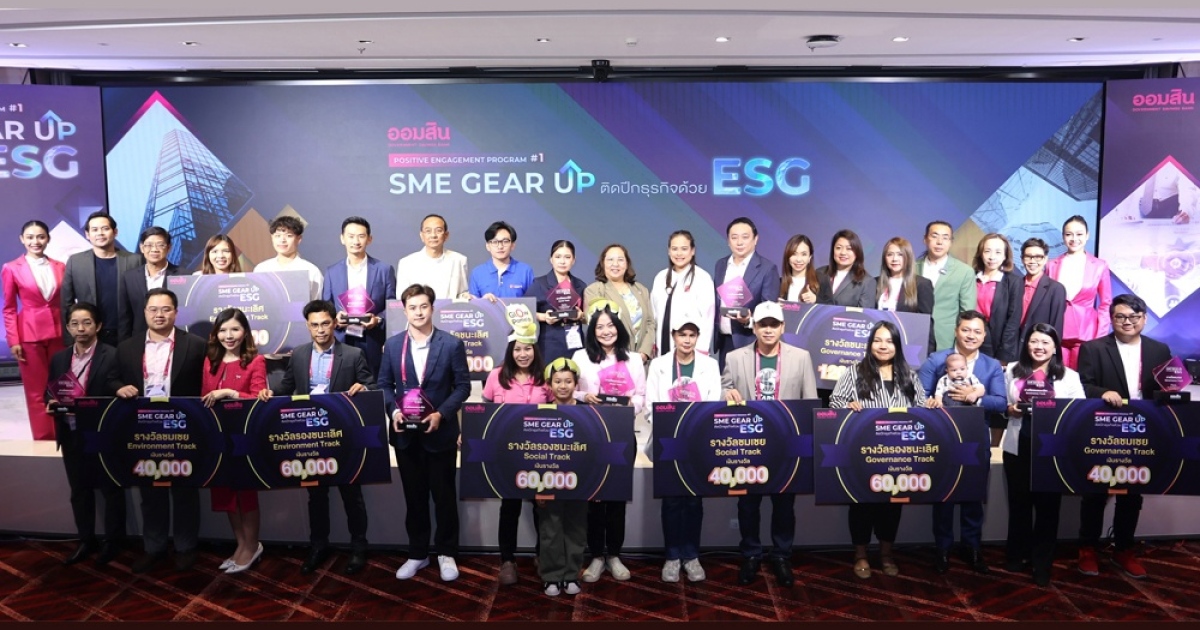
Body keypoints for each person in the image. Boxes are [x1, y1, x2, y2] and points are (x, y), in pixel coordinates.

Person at [274, 299, 375, 576]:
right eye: (314, 325)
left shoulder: (353, 355)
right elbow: (286, 388)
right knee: (316, 496)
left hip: (344, 436)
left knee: (352, 495)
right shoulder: (298, 355)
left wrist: (364, 388)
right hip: (310, 437)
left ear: (334, 323)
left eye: (325, 324)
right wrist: (269, 394)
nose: (320, 330)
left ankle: (359, 547)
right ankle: (318, 545)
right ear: (308, 326)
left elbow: (371, 384)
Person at [1075, 294, 1171, 579]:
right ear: (1111, 319)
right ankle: (1087, 549)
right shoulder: (1093, 348)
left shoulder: (1160, 349)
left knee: (1132, 494)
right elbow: (1083, 385)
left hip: (1142, 431)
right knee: (1095, 492)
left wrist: (1173, 393)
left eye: (1134, 316)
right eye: (1120, 316)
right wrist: (1102, 392)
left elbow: (1165, 388)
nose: (1127, 322)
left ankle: (1124, 550)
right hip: (1104, 429)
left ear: (1144, 318)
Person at [721, 301, 817, 587]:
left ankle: (781, 555)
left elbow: (810, 402)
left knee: (784, 504)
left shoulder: (800, 357)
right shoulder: (735, 357)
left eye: (774, 324)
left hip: (786, 444)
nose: (768, 330)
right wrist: (727, 394)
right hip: (747, 443)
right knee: (747, 503)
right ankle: (751, 553)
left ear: (782, 327)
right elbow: (723, 388)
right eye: (763, 324)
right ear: (754, 327)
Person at [382, 284, 472, 582]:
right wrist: (394, 412)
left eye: (423, 306)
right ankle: (417, 553)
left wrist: (441, 414)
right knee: (414, 497)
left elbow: (462, 386)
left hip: (439, 433)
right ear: (404, 311)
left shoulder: (451, 344)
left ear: (432, 308)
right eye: (412, 307)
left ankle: (446, 552)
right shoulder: (393, 345)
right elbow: (384, 385)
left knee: (444, 497)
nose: (418, 312)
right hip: (406, 435)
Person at [114, 288, 207, 574]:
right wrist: (118, 387)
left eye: (166, 309)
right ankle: (153, 547)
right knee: (150, 491)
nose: (159, 314)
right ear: (144, 312)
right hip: (144, 430)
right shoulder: (126, 347)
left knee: (185, 490)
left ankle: (185, 547)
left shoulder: (196, 345)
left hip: (183, 428)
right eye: (153, 309)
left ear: (176, 312)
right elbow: (111, 378)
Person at [830, 320, 926, 579]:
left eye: (889, 341)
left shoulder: (908, 375)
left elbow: (921, 407)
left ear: (897, 345)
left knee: (892, 506)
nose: (883, 346)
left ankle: (886, 554)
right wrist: (847, 407)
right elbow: (835, 403)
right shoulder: (854, 372)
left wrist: (931, 406)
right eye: (878, 340)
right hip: (862, 454)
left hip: (899, 455)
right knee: (861, 506)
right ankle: (860, 554)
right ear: (870, 343)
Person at [917, 310, 1006, 575]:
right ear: (956, 331)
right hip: (942, 438)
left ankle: (972, 546)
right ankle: (942, 548)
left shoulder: (991, 366)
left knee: (973, 495)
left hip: (976, 439)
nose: (971, 335)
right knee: (943, 494)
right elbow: (919, 396)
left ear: (984, 335)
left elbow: (1001, 403)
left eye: (977, 331)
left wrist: (976, 397)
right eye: (966, 329)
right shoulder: (936, 360)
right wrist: (930, 402)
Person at [1001, 324, 1085, 586]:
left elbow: (1079, 411)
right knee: (1019, 504)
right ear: (1026, 344)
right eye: (1034, 341)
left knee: (1048, 508)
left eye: (1045, 342)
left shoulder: (1069, 377)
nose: (1039, 347)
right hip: (1018, 446)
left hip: (1051, 450)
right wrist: (1010, 410)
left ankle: (1042, 563)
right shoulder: (1012, 370)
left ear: (1055, 347)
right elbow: (1004, 404)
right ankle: (1017, 554)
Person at [45, 302, 126, 566]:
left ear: (98, 326)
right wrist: (50, 403)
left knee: (110, 490)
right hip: (71, 433)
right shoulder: (59, 358)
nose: (81, 328)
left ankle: (113, 542)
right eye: (75, 324)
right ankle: (86, 540)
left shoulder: (113, 355)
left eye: (87, 322)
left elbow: (118, 391)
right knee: (79, 491)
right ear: (68, 327)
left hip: (103, 435)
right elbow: (50, 390)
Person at [572, 300, 647, 583]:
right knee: (592, 496)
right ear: (592, 331)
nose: (606, 331)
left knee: (616, 497)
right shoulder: (580, 357)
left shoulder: (634, 359)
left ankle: (614, 554)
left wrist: (627, 403)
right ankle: (595, 555)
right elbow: (569, 390)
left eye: (611, 325)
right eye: (600, 327)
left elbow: (641, 398)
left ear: (619, 328)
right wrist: (584, 396)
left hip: (621, 434)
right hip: (591, 434)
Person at [645, 316, 722, 583]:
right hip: (668, 441)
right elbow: (651, 404)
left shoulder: (710, 365)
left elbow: (713, 402)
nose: (687, 340)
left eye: (692, 335)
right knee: (671, 501)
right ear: (673, 336)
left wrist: (694, 430)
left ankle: (691, 556)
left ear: (698, 337)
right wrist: (669, 427)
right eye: (682, 334)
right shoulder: (659, 365)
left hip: (697, 442)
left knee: (693, 500)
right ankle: (671, 556)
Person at [200, 308, 270, 574]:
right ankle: (241, 545)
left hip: (244, 439)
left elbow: (258, 399)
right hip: (218, 439)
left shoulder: (256, 361)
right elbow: (204, 398)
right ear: (215, 334)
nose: (228, 336)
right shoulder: (210, 361)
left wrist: (229, 392)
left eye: (235, 329)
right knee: (227, 494)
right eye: (223, 330)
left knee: (246, 495)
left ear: (245, 332)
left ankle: (252, 546)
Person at [481, 334, 548, 586]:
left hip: (540, 455)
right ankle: (507, 560)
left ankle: (542, 555)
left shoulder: (546, 377)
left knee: (542, 506)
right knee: (509, 507)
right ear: (510, 350)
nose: (523, 354)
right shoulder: (496, 376)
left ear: (535, 351)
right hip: (506, 455)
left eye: (527, 349)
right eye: (518, 349)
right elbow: (484, 412)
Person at [3, 220, 66, 440]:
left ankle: (64, 436)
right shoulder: (11, 268)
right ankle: (44, 437)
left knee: (62, 387)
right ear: (22, 239)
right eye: (30, 237)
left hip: (60, 333)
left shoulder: (60, 266)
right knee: (37, 391)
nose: (35, 241)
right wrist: (13, 340)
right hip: (29, 335)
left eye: (40, 236)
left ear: (48, 238)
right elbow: (9, 308)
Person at [536, 357, 588, 597]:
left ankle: (571, 574)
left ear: (576, 384)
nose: (563, 386)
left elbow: (595, 448)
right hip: (549, 481)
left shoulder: (588, 413)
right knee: (550, 528)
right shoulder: (541, 412)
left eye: (568, 381)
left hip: (580, 482)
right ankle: (552, 576)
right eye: (557, 381)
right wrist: (537, 485)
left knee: (576, 528)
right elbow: (533, 451)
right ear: (549, 384)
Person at [322, 216, 397, 375]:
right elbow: (327, 305)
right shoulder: (331, 272)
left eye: (361, 236)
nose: (356, 241)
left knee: (372, 384)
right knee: (342, 383)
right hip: (342, 338)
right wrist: (335, 318)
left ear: (369, 239)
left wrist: (377, 319)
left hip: (373, 339)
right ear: (342, 238)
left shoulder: (384, 270)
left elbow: (392, 305)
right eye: (351, 236)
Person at [61, 211, 141, 348]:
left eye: (105, 229)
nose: (100, 233)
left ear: (115, 232)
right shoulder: (76, 262)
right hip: (89, 334)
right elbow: (66, 303)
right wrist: (70, 339)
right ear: (87, 234)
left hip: (127, 333)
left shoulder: (134, 260)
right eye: (95, 230)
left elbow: (141, 301)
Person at [1047, 215, 1112, 369]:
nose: (1074, 239)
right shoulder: (1051, 265)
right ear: (1063, 236)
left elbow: (1106, 304)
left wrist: (1101, 336)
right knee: (1058, 378)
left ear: (1087, 235)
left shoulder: (1099, 265)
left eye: (1079, 234)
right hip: (1058, 331)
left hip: (1087, 333)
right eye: (1069, 234)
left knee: (1083, 378)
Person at [714, 217, 780, 367]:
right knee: (725, 382)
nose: (739, 242)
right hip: (724, 341)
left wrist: (749, 320)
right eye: (734, 237)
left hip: (750, 341)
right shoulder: (721, 265)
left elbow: (769, 311)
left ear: (755, 239)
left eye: (745, 237)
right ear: (728, 241)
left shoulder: (767, 268)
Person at [584, 244, 656, 364]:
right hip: (610, 361)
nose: (615, 264)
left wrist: (644, 353)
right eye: (610, 260)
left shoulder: (641, 289)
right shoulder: (595, 290)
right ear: (603, 263)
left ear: (627, 263)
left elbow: (650, 323)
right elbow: (596, 325)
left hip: (640, 361)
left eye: (620, 260)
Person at [651, 230, 716, 357]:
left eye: (684, 249)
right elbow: (654, 315)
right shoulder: (660, 277)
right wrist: (652, 344)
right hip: (662, 348)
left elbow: (707, 319)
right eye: (674, 249)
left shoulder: (702, 278)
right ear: (669, 251)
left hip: (691, 351)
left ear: (693, 251)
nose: (679, 253)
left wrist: (701, 351)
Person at [916, 221, 977, 352]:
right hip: (913, 336)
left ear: (951, 242)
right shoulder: (911, 268)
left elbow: (967, 312)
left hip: (946, 340)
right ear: (925, 239)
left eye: (945, 238)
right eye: (934, 236)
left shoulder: (964, 271)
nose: (939, 242)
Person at [526, 240, 589, 363]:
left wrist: (581, 316)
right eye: (558, 257)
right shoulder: (540, 283)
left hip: (576, 344)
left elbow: (588, 317)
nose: (562, 261)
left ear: (573, 260)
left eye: (567, 257)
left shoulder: (580, 285)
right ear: (551, 259)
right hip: (550, 344)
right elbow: (524, 311)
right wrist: (544, 317)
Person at [118, 227, 180, 341]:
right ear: (142, 248)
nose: (154, 249)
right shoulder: (129, 277)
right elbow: (124, 317)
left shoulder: (183, 275)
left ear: (169, 248)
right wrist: (124, 345)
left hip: (175, 340)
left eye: (160, 245)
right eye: (149, 245)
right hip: (139, 341)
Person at [873, 236, 934, 353]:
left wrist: (927, 353)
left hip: (907, 347)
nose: (894, 259)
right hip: (879, 346)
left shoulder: (921, 284)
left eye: (900, 254)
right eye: (890, 254)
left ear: (908, 257)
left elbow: (926, 324)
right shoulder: (874, 283)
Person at [973, 233, 1023, 363]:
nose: (992, 257)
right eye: (987, 251)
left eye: (998, 252)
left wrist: (1004, 354)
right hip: (970, 340)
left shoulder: (1013, 282)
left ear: (1005, 256)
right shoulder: (970, 277)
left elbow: (1013, 320)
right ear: (980, 253)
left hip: (997, 345)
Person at [396, 213, 469, 301]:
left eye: (438, 230)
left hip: (449, 309)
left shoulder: (459, 260)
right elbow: (401, 298)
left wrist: (465, 297)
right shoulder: (406, 263)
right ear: (422, 236)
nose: (433, 235)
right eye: (428, 231)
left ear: (446, 235)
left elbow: (462, 293)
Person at [254, 215, 324, 300]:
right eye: (278, 236)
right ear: (272, 238)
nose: (282, 240)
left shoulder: (312, 271)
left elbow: (317, 303)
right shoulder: (261, 269)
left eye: (289, 235)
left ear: (299, 239)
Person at [469, 220, 535, 301]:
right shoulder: (477, 273)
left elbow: (532, 304)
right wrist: (483, 301)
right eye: (495, 242)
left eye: (505, 241)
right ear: (488, 246)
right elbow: (474, 305)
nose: (500, 246)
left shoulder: (525, 271)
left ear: (513, 245)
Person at [1017, 238, 1066, 343]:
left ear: (1045, 259)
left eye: (1038, 257)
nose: (1032, 261)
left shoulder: (1056, 289)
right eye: (1028, 257)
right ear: (1022, 259)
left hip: (1039, 346)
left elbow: (1056, 327)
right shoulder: (1015, 285)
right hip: (1014, 346)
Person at [816, 229, 873, 308]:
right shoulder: (819, 273)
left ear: (857, 252)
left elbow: (864, 314)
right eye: (838, 248)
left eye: (849, 249)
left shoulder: (866, 281)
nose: (843, 252)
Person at [779, 234, 829, 304]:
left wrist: (816, 300)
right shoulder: (779, 283)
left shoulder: (821, 280)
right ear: (788, 257)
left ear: (810, 257)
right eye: (794, 254)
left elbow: (833, 308)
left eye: (804, 254)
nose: (798, 259)